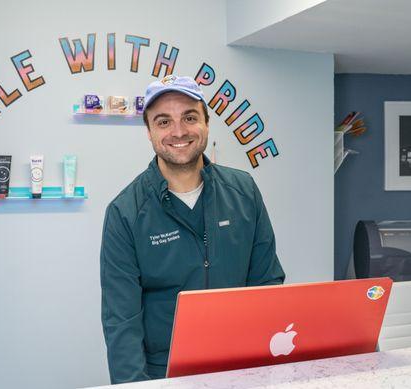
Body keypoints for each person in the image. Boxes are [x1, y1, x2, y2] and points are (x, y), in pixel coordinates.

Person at [100, 75, 285, 384]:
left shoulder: (244, 192)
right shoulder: (125, 212)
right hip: (166, 374)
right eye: (163, 122)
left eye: (189, 117)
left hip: (242, 366)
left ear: (206, 125)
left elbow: (267, 284)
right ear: (149, 133)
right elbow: (121, 320)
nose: (178, 131)